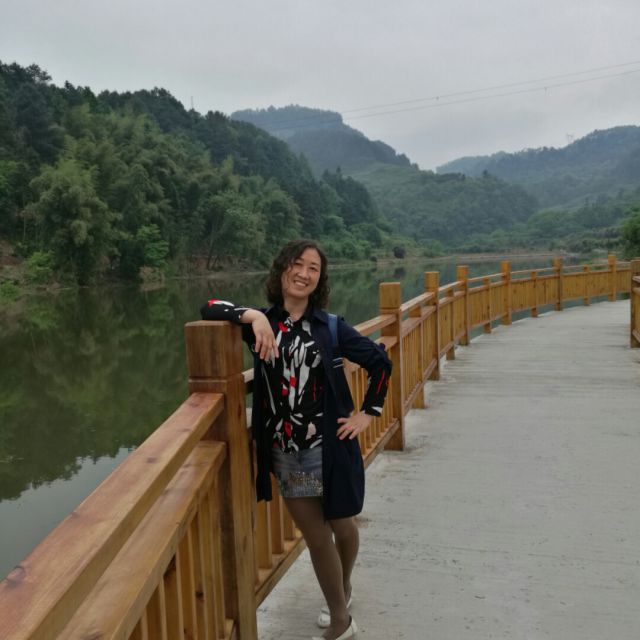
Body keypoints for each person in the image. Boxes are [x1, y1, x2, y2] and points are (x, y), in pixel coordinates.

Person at [200, 239, 391, 640]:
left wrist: (367, 413)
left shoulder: (331, 327)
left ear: (320, 280)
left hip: (332, 447)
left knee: (343, 525)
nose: (303, 274)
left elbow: (380, 363)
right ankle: (341, 621)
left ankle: (343, 588)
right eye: (297, 264)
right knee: (317, 536)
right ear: (282, 268)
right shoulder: (261, 324)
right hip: (289, 452)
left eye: (313, 269)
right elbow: (211, 306)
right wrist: (254, 316)